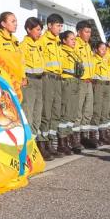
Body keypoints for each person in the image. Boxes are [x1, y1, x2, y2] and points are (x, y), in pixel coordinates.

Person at [20, 18, 50, 160]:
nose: (40, 32)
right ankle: (26, 149)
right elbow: (20, 66)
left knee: (38, 115)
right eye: (37, 29)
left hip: (40, 81)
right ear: (28, 30)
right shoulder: (23, 46)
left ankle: (33, 148)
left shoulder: (39, 44)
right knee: (28, 115)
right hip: (29, 81)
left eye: (41, 29)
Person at [40, 14, 67, 157]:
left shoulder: (57, 42)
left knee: (56, 112)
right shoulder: (43, 40)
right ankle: (42, 143)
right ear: (49, 25)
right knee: (47, 112)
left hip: (58, 79)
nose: (60, 28)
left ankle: (51, 142)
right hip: (48, 78)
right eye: (58, 25)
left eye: (61, 25)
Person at [74, 21, 98, 149]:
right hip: (80, 81)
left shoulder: (87, 46)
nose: (89, 34)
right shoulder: (75, 44)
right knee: (78, 111)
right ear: (79, 32)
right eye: (86, 31)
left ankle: (84, 136)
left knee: (88, 110)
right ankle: (75, 138)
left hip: (89, 81)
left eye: (90, 32)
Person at [59, 30, 83, 153]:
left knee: (73, 112)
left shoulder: (75, 53)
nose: (74, 41)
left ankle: (69, 138)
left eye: (75, 39)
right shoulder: (61, 51)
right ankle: (62, 140)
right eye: (71, 39)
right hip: (66, 82)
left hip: (75, 81)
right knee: (65, 112)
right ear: (64, 40)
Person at [90, 42, 110, 144]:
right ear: (96, 49)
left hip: (107, 85)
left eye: (105, 49)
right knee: (97, 110)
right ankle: (93, 135)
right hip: (98, 85)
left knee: (105, 110)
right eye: (101, 48)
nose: (104, 50)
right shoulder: (93, 59)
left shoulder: (106, 60)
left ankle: (103, 134)